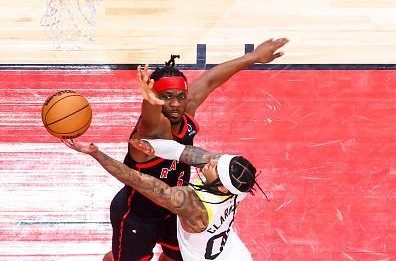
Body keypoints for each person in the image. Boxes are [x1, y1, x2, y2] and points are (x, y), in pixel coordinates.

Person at [108, 38, 288, 261]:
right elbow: (150, 120)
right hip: (138, 217)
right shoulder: (150, 132)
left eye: (180, 97)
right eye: (166, 98)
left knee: (176, 258)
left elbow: (210, 80)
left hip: (176, 211)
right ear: (155, 97)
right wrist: (149, 101)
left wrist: (254, 57)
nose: (175, 104)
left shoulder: (184, 110)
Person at [62, 137, 261, 261]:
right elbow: (183, 152)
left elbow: (136, 179)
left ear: (221, 186)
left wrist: (96, 153)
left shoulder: (192, 205)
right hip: (235, 255)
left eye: (217, 166)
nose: (213, 161)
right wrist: (154, 147)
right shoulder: (238, 186)